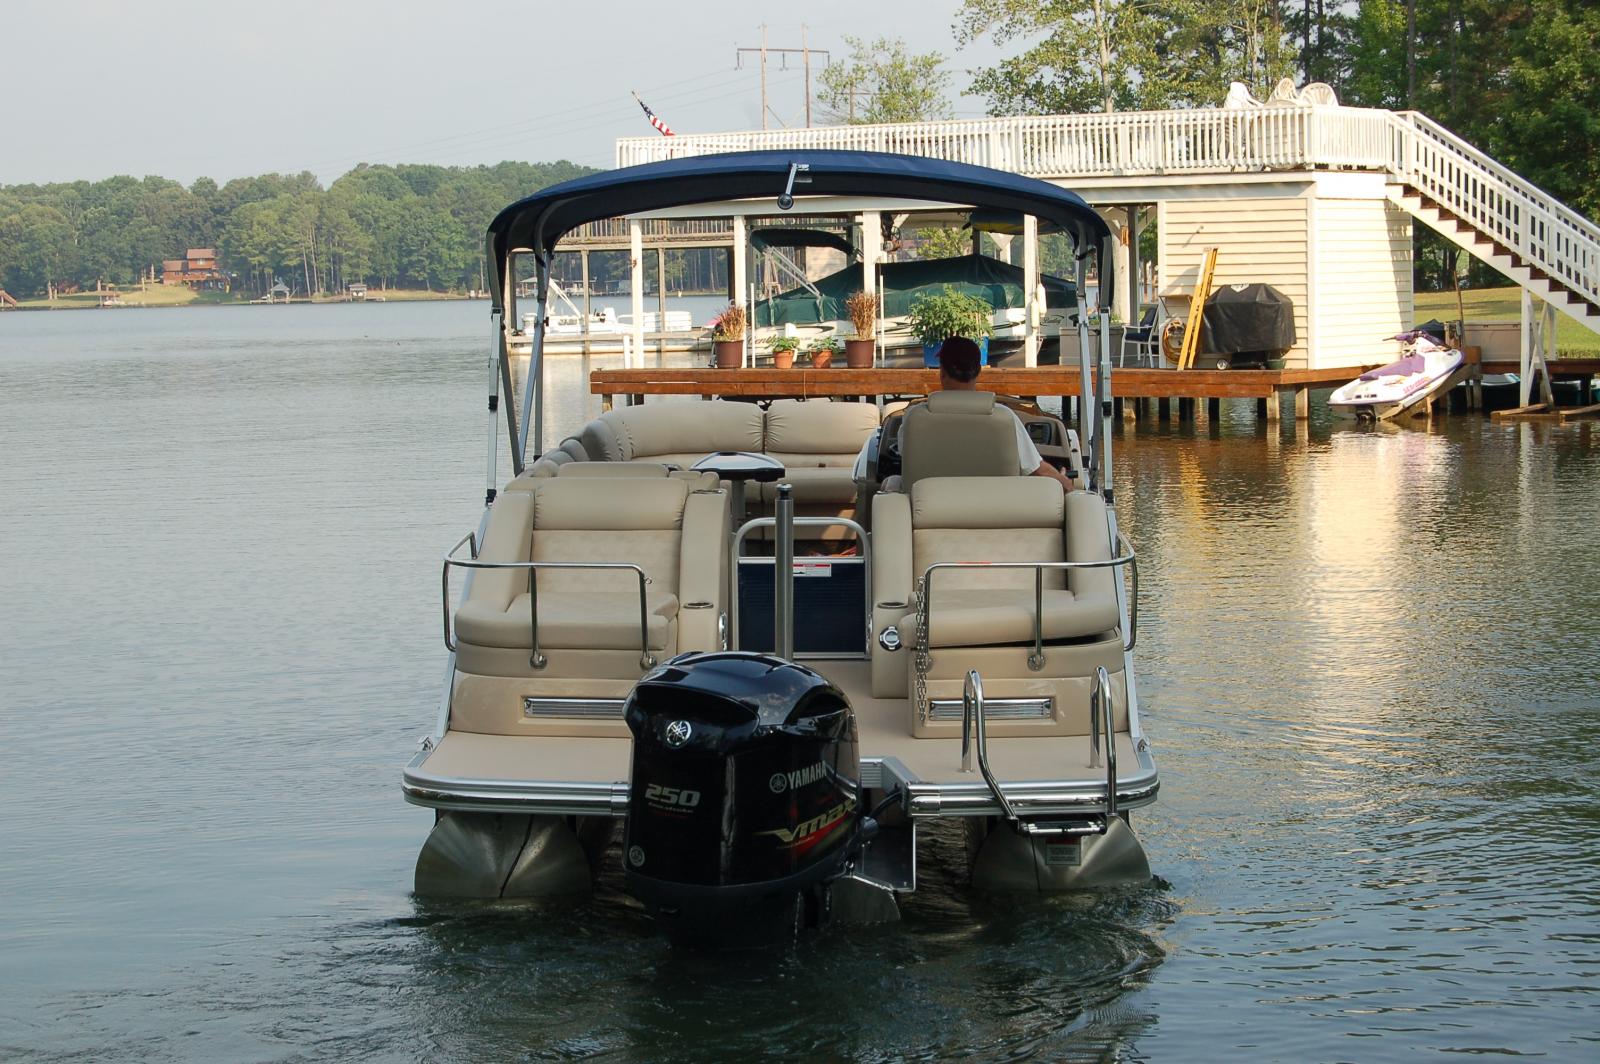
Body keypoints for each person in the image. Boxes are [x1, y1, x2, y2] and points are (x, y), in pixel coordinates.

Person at [935, 336, 1075, 488]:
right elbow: (1037, 470)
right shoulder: (1003, 417)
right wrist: (1066, 483)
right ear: (978, 371)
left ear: (942, 373)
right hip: (994, 509)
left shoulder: (915, 418)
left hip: (929, 508)